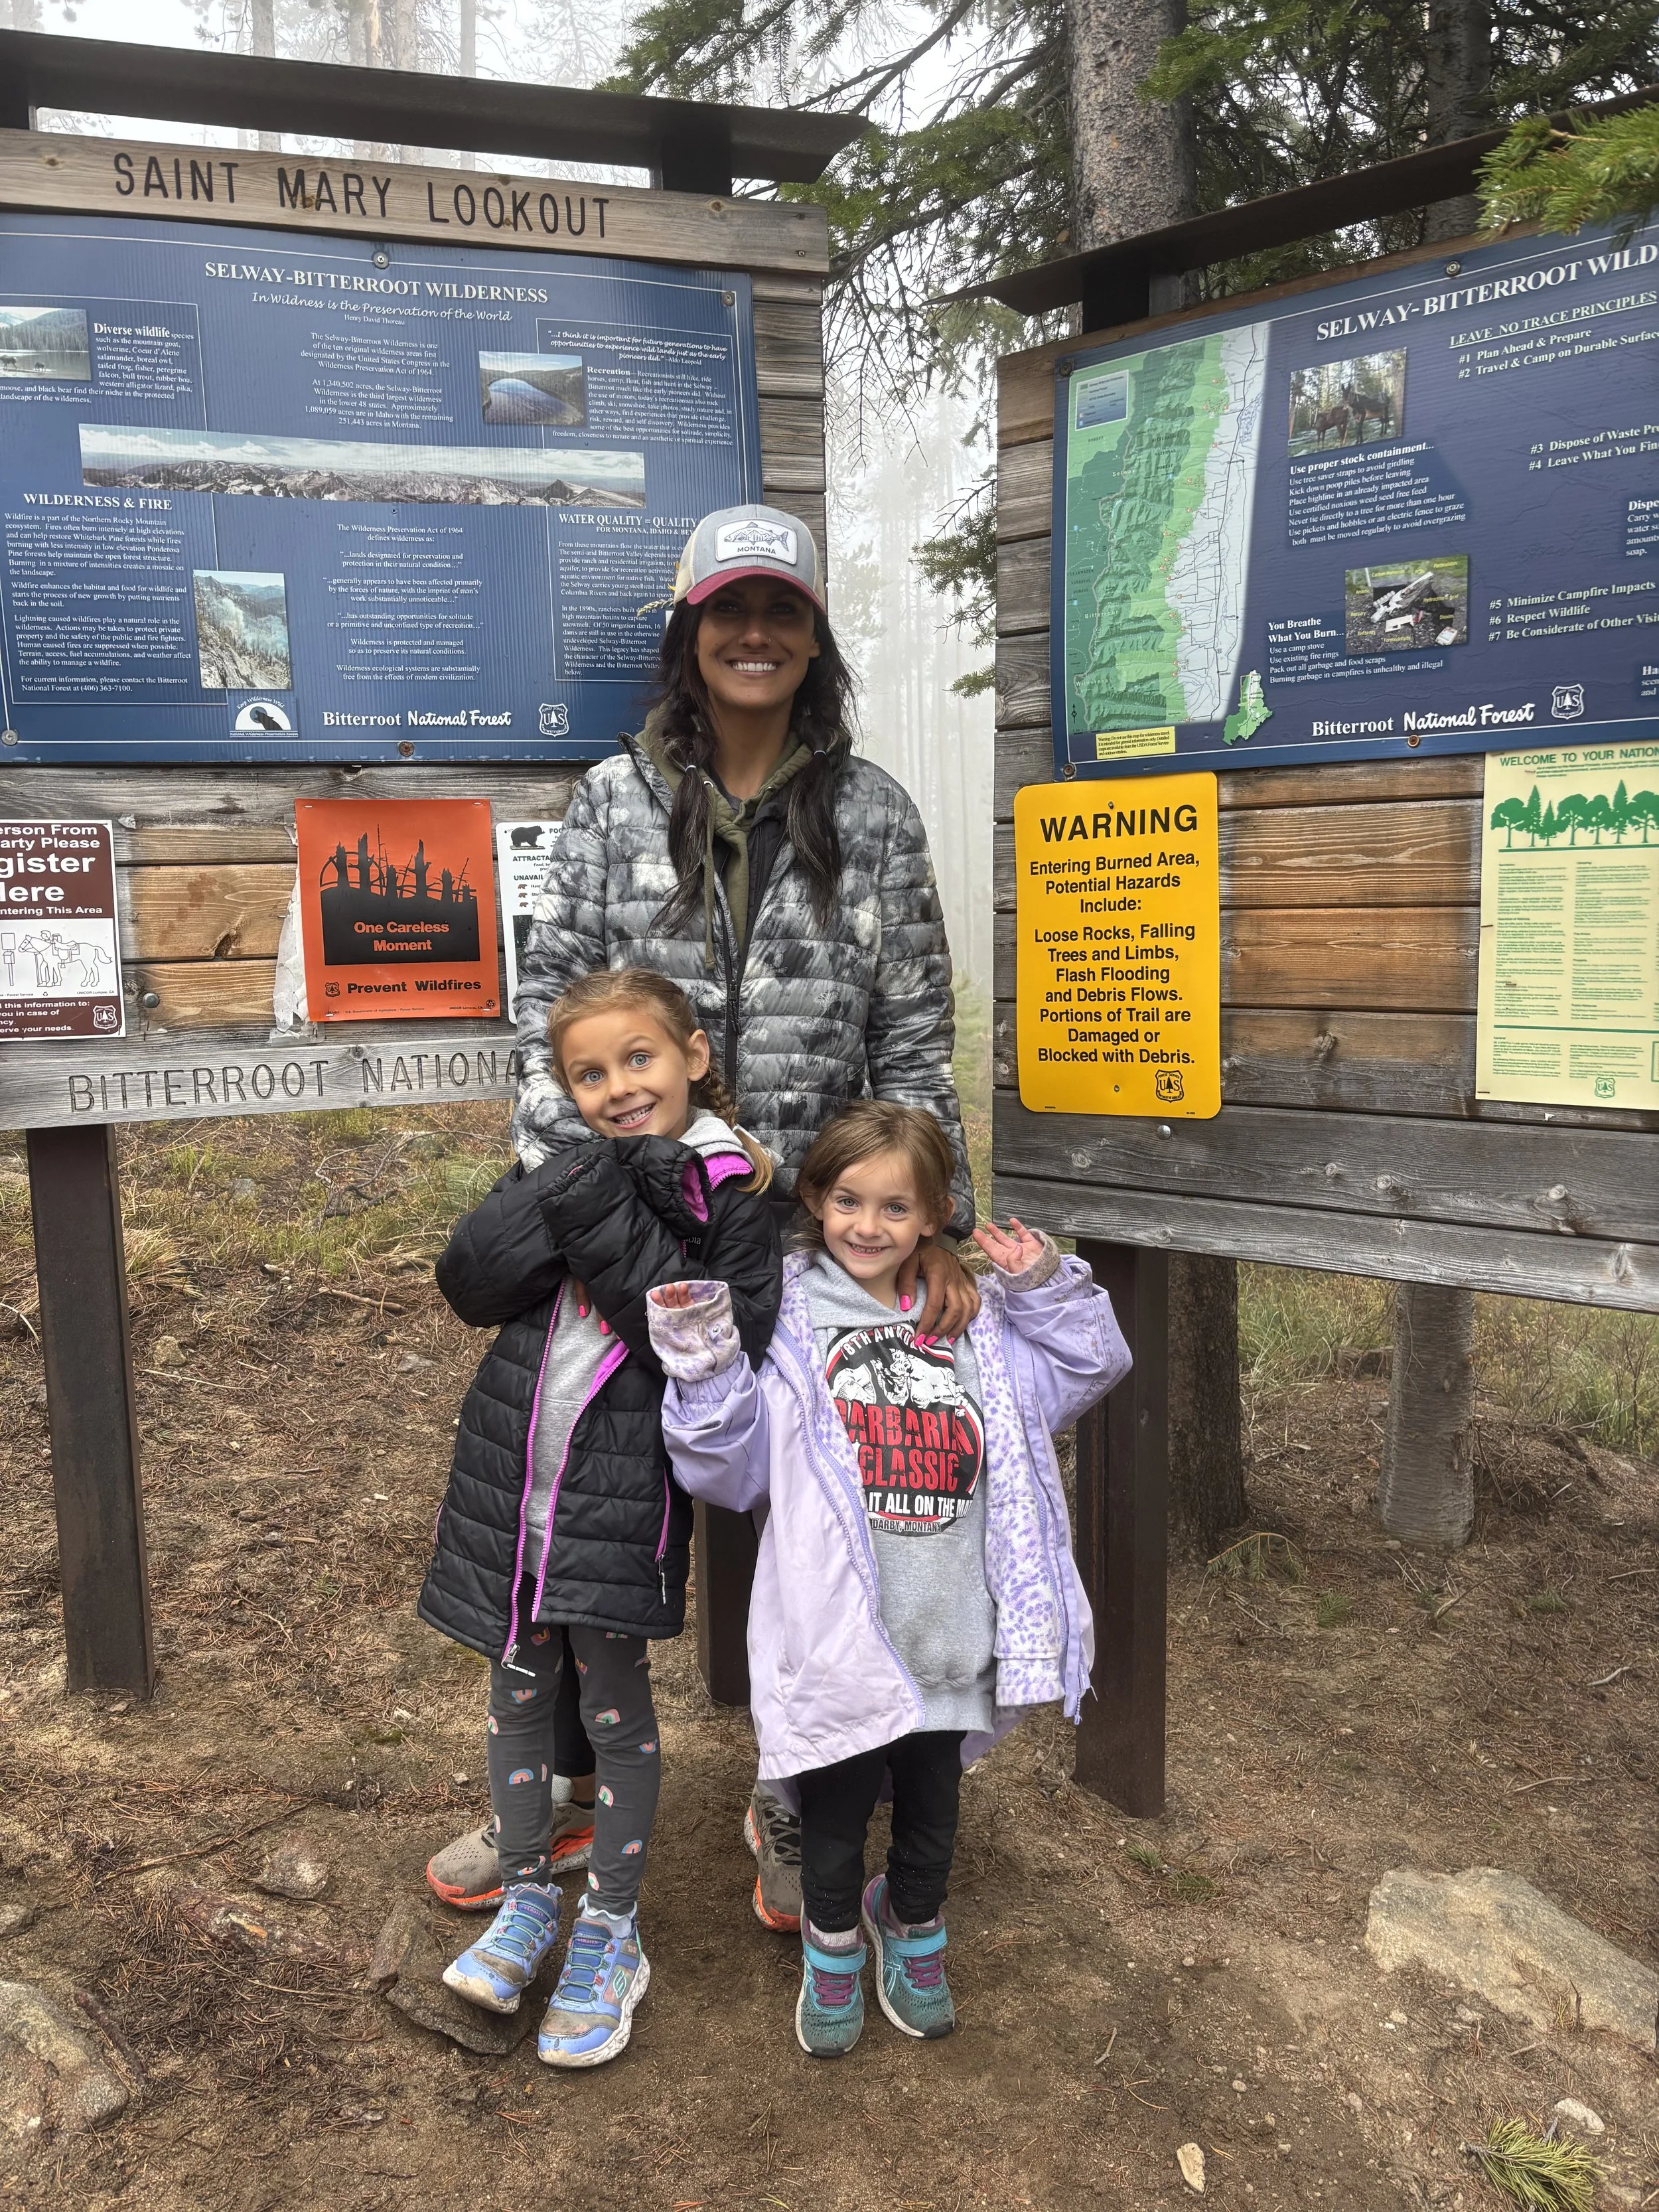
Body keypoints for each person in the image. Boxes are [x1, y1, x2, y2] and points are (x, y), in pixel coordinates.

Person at [431, 500, 981, 1932]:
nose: (754, 635)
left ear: (811, 638)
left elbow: (914, 1036)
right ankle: (545, 1796)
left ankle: (794, 1793)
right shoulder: (614, 802)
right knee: (581, 1521)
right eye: (728, 611)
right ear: (689, 632)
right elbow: (550, 1017)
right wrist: (579, 1220)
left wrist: (938, 1227)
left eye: (780, 612)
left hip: (811, 1250)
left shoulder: (872, 815)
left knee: (813, 1537)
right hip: (623, 1250)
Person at [646, 1101, 1129, 2056]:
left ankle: (911, 1930)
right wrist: (703, 1370)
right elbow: (728, 1469)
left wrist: (1036, 1287)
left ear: (936, 1214)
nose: (868, 1226)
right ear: (816, 1199)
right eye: (848, 1201)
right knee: (831, 1813)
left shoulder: (973, 1321)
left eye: (896, 1209)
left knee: (932, 1811)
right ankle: (831, 1948)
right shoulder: (782, 1315)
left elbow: (1086, 1371)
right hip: (842, 1640)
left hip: (951, 1630)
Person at [416, 967, 781, 2065]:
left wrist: (599, 1200)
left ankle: (612, 1928)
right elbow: (474, 1283)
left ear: (694, 1056)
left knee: (616, 1717)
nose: (619, 1087)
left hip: (617, 1506)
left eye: (639, 1059)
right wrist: (564, 1181)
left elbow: (710, 1336)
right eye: (590, 1073)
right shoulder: (570, 1163)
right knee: (517, 1701)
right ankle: (530, 1898)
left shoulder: (732, 1187)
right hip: (510, 1496)